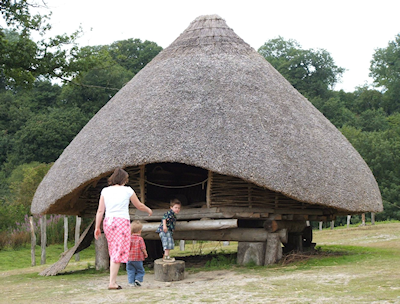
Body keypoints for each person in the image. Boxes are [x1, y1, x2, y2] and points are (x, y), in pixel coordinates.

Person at [94, 168, 152, 290]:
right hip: (121, 222)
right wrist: (148, 210)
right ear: (124, 180)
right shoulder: (128, 190)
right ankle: (112, 282)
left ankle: (112, 281)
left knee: (113, 250)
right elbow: (139, 205)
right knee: (117, 251)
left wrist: (97, 227)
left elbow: (100, 211)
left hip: (108, 222)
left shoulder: (105, 191)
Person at [127, 220, 148, 287]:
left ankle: (131, 283)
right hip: (138, 258)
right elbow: (143, 248)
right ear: (140, 231)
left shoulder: (128, 238)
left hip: (129, 258)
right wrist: (145, 253)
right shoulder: (140, 239)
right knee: (140, 270)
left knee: (130, 270)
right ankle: (138, 280)